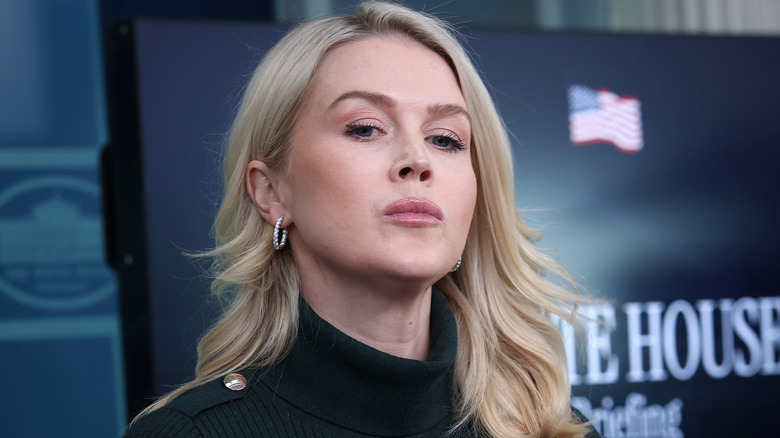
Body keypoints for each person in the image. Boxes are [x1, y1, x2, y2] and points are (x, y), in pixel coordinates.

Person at [125, 1, 600, 437]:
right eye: (366, 128)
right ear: (270, 192)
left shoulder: (546, 427)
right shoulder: (192, 434)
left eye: (446, 139)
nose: (417, 160)